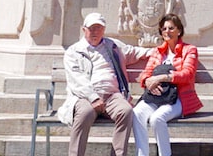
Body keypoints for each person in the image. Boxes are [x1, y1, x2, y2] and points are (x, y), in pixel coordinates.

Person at [58, 12, 152, 156]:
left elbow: (133, 52)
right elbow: (76, 80)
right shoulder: (74, 51)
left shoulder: (113, 45)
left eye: (99, 28)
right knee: (85, 113)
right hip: (85, 97)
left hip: (112, 95)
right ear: (84, 30)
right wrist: (93, 97)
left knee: (126, 111)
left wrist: (159, 51)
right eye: (92, 28)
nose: (95, 32)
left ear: (104, 29)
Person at [132, 13, 201, 156]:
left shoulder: (189, 50)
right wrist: (148, 82)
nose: (167, 32)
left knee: (157, 118)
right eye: (164, 29)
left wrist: (163, 77)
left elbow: (188, 74)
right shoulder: (158, 52)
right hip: (156, 96)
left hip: (178, 98)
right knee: (136, 113)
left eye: (171, 28)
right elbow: (146, 73)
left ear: (179, 31)